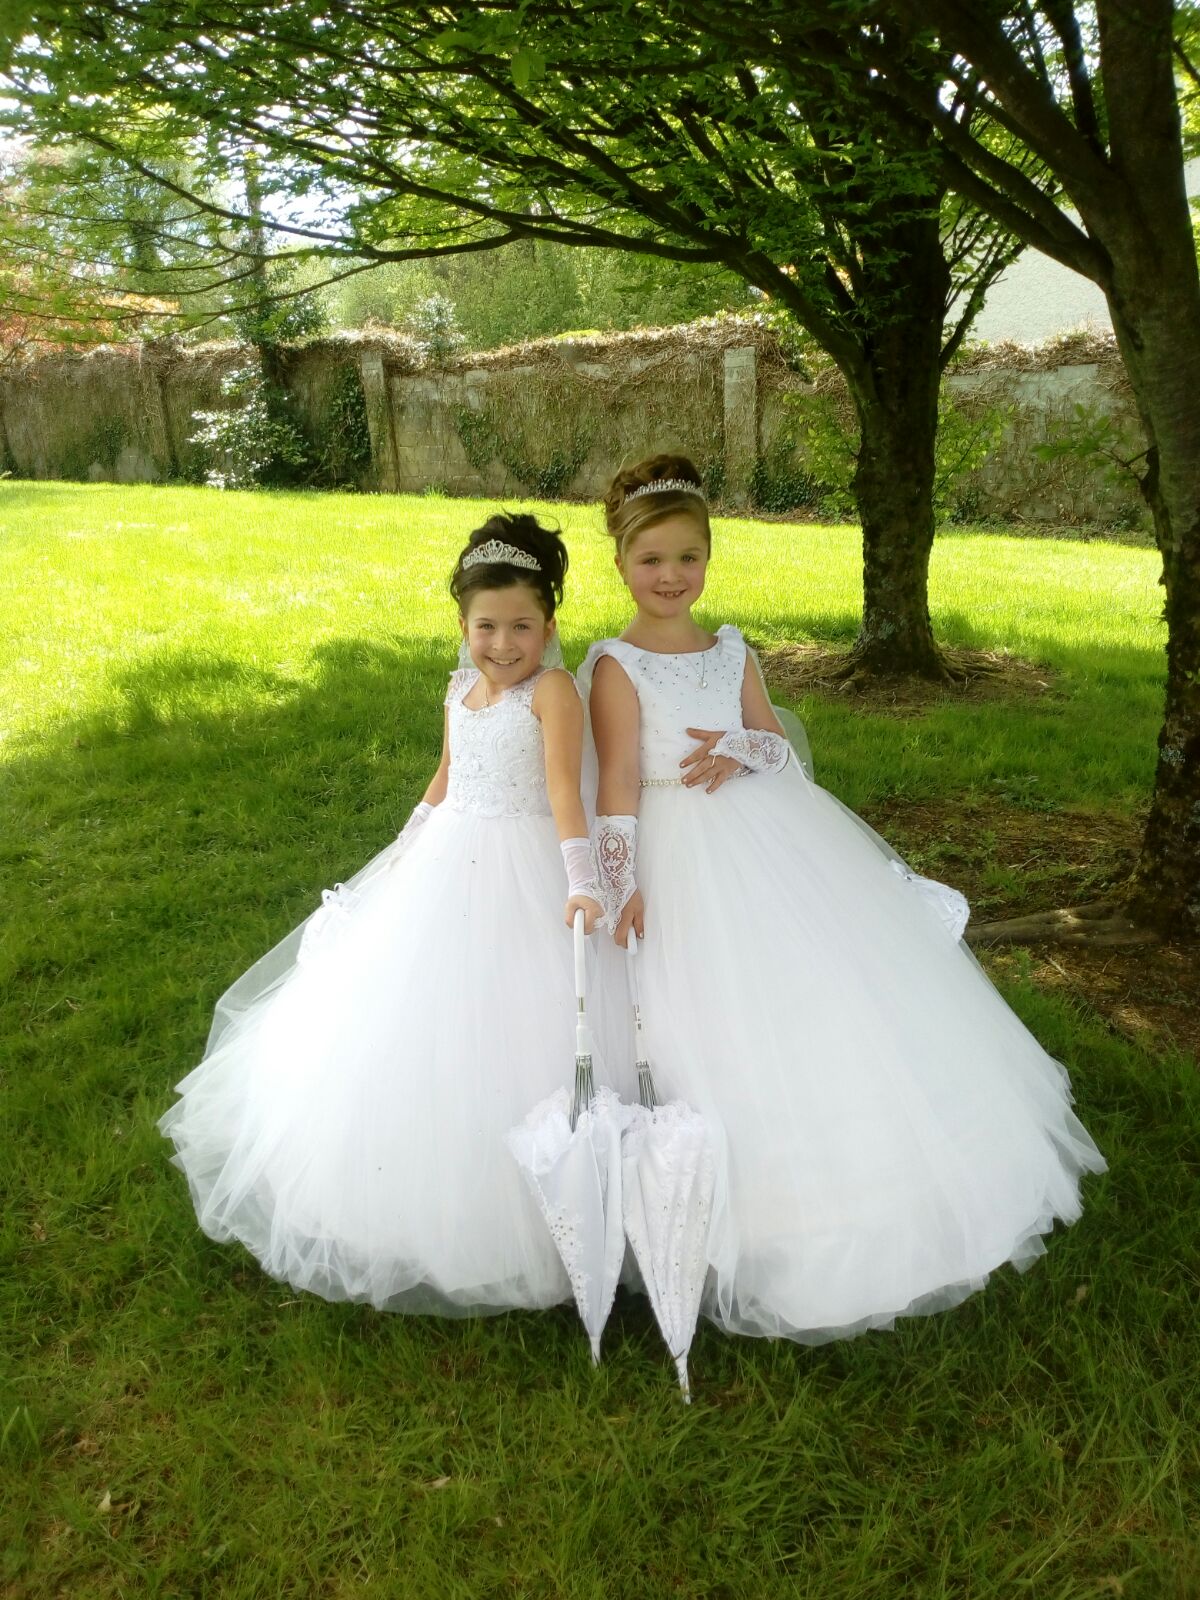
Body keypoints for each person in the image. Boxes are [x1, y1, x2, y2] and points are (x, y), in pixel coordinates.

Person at [583, 454, 1106, 1345]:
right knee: (701, 1011)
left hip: (763, 840)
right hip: (675, 851)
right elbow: (619, 782)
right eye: (652, 561)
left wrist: (744, 749)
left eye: (688, 558)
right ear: (623, 565)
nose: (672, 577)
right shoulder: (614, 664)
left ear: (708, 558)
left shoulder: (730, 648)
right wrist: (622, 882)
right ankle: (716, 1211)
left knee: (819, 997)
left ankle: (858, 1191)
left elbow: (777, 744)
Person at [160, 513, 603, 1315]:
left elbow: (566, 792)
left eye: (522, 627)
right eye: (486, 626)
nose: (503, 644)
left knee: (508, 1016)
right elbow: (446, 776)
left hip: (523, 862)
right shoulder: (458, 690)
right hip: (451, 856)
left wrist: (581, 879)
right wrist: (406, 847)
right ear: (462, 627)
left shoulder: (553, 693)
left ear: (549, 626)